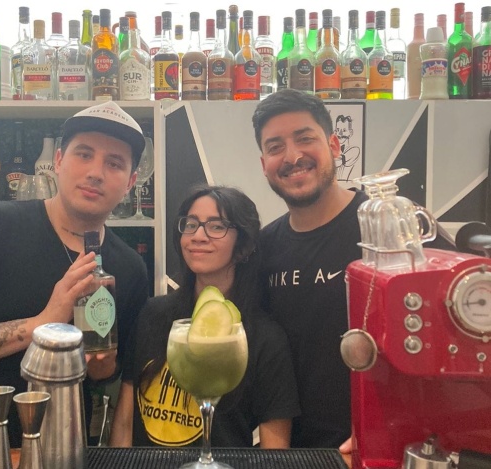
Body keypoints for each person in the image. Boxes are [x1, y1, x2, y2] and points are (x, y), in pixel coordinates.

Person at [0, 101, 150, 446]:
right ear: (58, 161)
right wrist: (42, 323)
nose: (96, 172)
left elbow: (108, 379)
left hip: (63, 450)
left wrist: (102, 367)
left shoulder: (130, 269)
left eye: (114, 163)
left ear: (131, 182)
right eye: (84, 154)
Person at [252, 89, 455, 450]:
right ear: (264, 163)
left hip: (384, 446)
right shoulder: (264, 246)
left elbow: (458, 329)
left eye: (305, 138)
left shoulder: (393, 224)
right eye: (275, 147)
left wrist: (392, 429)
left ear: (334, 145)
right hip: (293, 451)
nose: (293, 156)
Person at [110, 185, 299, 448]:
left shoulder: (264, 338)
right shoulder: (152, 314)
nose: (198, 236)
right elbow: (125, 421)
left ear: (244, 246)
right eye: (190, 225)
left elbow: (275, 452)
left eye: (216, 226)